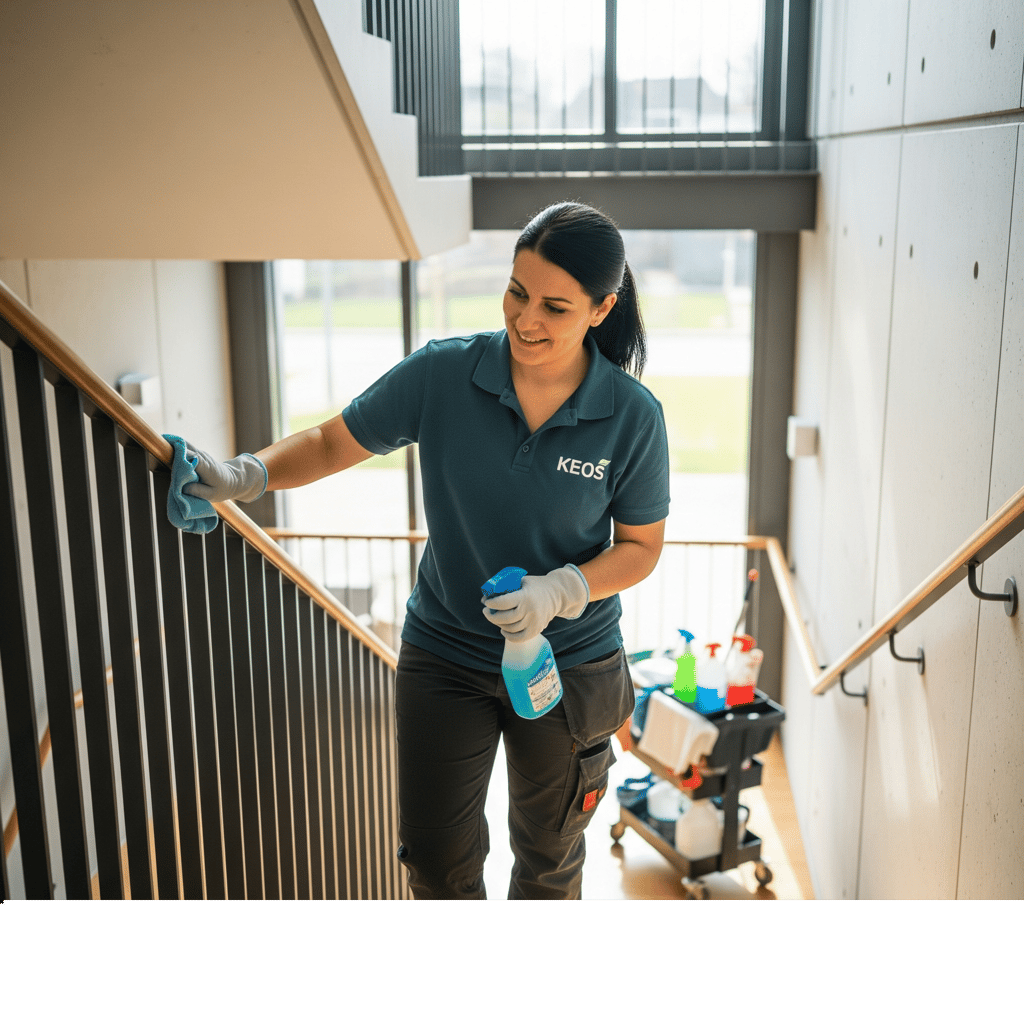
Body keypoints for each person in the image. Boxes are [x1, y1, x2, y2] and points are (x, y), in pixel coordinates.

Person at [181, 201, 671, 900]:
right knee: (437, 865)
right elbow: (329, 442)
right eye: (517, 292)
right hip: (447, 657)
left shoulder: (630, 416)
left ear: (602, 309)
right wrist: (245, 474)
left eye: (556, 308)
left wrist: (558, 591)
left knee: (549, 860)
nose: (526, 320)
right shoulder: (444, 376)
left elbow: (641, 547)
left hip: (570, 666)